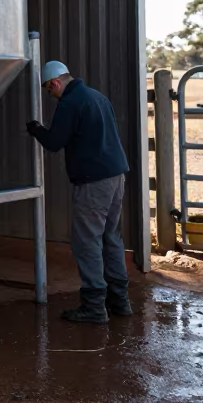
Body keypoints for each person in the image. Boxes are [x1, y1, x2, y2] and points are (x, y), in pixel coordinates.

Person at [26, 60, 131, 324]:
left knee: (87, 242)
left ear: (55, 83)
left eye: (49, 90)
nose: (51, 95)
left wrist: (35, 129)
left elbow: (53, 142)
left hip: (93, 182)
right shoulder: (97, 97)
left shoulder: (70, 102)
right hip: (116, 176)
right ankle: (120, 301)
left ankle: (94, 306)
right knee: (111, 237)